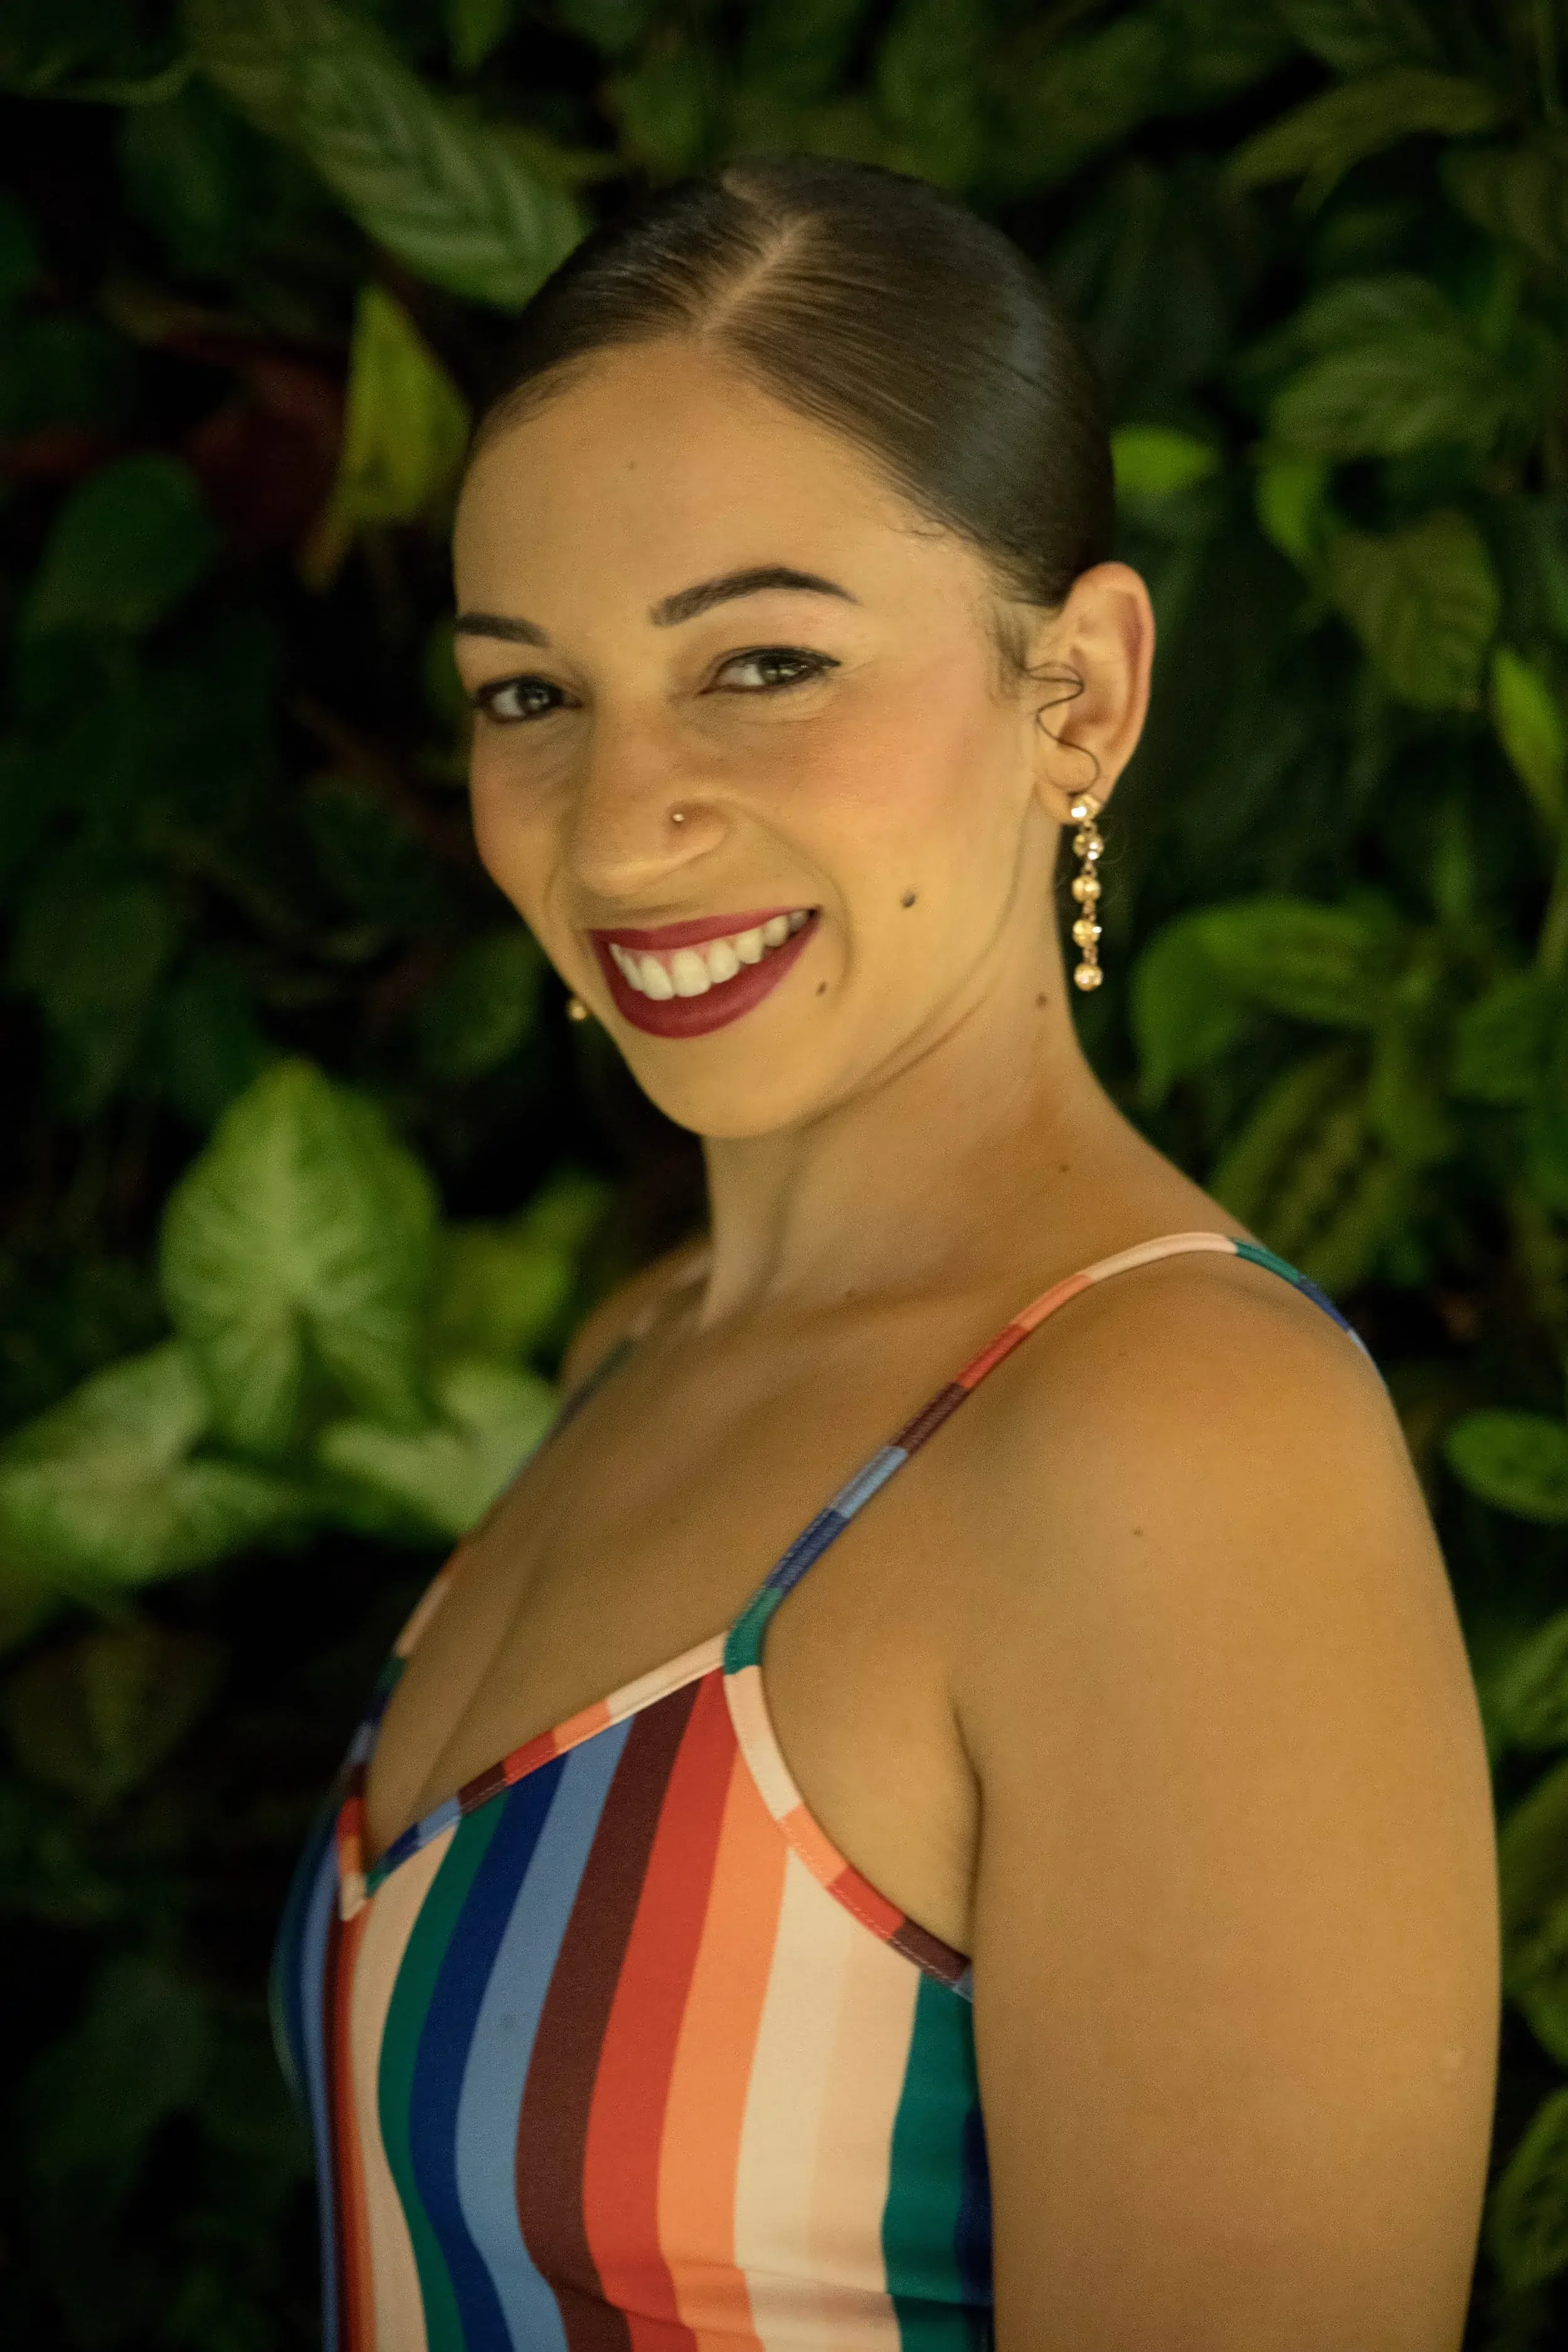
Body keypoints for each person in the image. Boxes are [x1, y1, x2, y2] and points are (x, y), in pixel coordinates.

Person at [272, 156, 1500, 2352]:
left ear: (1078, 694)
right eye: (529, 694)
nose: (620, 821)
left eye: (763, 662)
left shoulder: (1182, 1447)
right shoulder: (650, 1337)